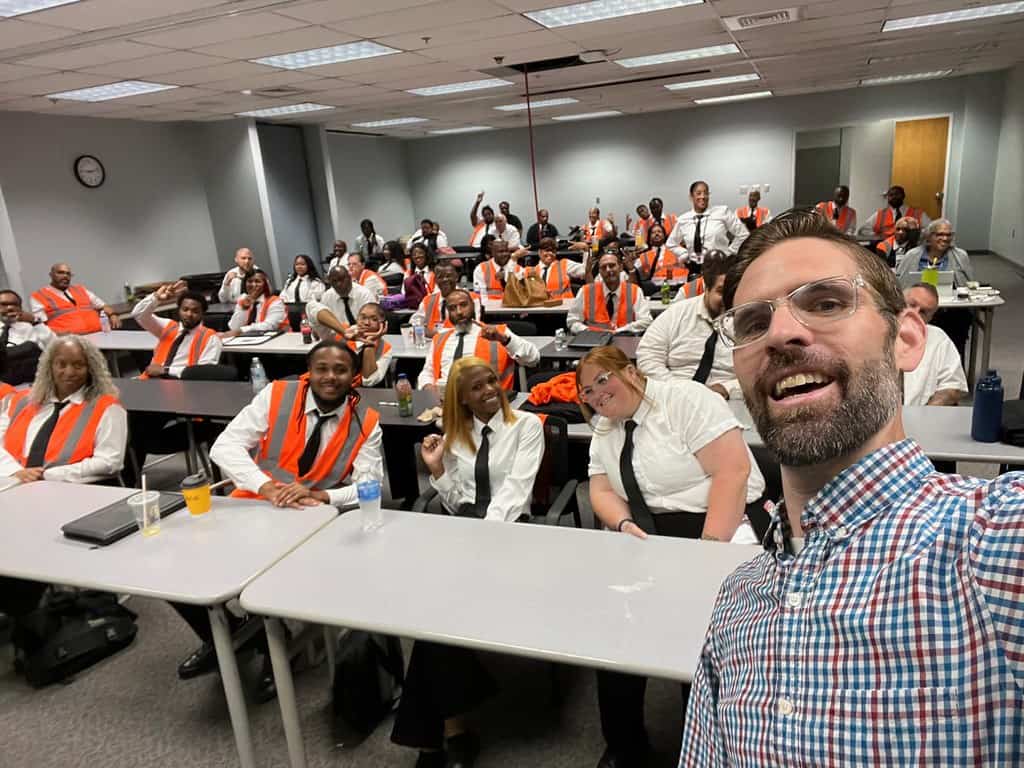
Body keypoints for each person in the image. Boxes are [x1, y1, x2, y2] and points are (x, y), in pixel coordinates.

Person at [681, 208, 1024, 766]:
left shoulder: (996, 544)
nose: (781, 333)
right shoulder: (736, 604)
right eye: (752, 322)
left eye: (826, 303)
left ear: (907, 340)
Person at [577, 345, 764, 768]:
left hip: (718, 521)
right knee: (614, 623)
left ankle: (706, 741)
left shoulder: (685, 399)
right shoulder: (606, 428)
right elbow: (602, 490)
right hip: (647, 530)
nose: (597, 394)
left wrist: (707, 551)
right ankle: (625, 744)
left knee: (703, 629)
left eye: (603, 379)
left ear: (630, 371)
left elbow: (732, 473)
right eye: (588, 391)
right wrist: (623, 525)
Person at [189, 340, 382, 697]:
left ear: (354, 376)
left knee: (271, 571)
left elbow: (370, 486)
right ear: (309, 372)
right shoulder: (275, 396)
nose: (330, 377)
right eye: (321, 369)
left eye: (340, 370)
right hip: (254, 503)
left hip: (311, 516)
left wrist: (324, 495)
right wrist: (264, 487)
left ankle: (266, 646)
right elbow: (225, 447)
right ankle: (245, 637)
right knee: (184, 565)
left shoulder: (367, 422)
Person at [392, 356, 544, 768]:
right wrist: (438, 469)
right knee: (432, 616)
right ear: (461, 397)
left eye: (491, 380)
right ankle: (451, 731)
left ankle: (439, 738)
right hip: (466, 530)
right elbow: (458, 500)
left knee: (437, 615)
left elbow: (516, 493)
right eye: (476, 387)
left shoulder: (526, 426)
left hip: (510, 533)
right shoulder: (456, 435)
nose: (489, 390)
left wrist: (482, 537)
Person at [0, 335, 126, 485]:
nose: (69, 372)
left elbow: (109, 461)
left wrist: (47, 475)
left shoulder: (107, 408)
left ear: (91, 369)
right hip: (14, 484)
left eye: (78, 365)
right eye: (61, 364)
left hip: (74, 490)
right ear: (50, 367)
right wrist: (15, 471)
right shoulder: (19, 401)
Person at [636, 250, 739, 399]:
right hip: (671, 395)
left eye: (733, 292)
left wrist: (727, 388)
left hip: (726, 401)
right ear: (707, 289)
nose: (728, 299)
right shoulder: (677, 313)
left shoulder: (746, 322)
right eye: (721, 291)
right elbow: (647, 356)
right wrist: (676, 389)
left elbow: (760, 373)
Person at [417, 289, 539, 392]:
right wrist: (428, 387)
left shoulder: (497, 332)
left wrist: (504, 340)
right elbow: (427, 372)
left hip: (489, 402)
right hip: (446, 401)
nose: (459, 312)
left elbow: (533, 359)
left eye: (463, 305)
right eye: (453, 308)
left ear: (473, 306)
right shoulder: (439, 338)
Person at [132, 280, 222, 379]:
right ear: (178, 310)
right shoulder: (167, 327)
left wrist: (166, 370)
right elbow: (138, 314)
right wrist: (156, 297)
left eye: (195, 311)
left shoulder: (210, 338)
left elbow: (204, 372)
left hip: (181, 384)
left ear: (202, 314)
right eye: (185, 309)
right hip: (149, 380)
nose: (189, 314)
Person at [902, 282, 968, 406]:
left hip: (920, 417)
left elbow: (954, 386)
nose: (915, 313)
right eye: (911, 305)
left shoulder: (938, 339)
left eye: (923, 312)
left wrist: (927, 413)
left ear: (930, 318)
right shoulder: (873, 333)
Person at [667, 181, 749, 272]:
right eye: (698, 193)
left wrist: (729, 252)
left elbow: (743, 234)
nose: (702, 197)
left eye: (706, 193)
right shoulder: (683, 219)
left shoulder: (722, 212)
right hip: (694, 268)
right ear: (691, 197)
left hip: (719, 266)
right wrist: (684, 253)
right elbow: (670, 244)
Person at [567, 250, 652, 335]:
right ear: (599, 271)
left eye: (612, 266)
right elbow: (573, 321)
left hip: (625, 338)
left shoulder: (635, 291)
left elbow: (646, 320)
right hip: (593, 341)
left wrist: (620, 331)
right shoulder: (585, 291)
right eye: (603, 267)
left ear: (621, 267)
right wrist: (589, 330)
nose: (608, 270)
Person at [31, 263, 120, 335]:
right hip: (71, 342)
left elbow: (103, 306)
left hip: (98, 334)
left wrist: (113, 315)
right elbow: (41, 327)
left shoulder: (81, 290)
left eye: (68, 274)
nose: (65, 276)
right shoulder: (39, 296)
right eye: (60, 273)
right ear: (51, 275)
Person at [896, 218, 974, 286]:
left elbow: (968, 286)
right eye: (940, 234)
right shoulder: (911, 255)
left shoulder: (960, 256)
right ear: (929, 236)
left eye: (948, 235)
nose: (945, 238)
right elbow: (901, 284)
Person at [306, 265, 376, 341]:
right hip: (337, 340)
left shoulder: (364, 294)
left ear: (349, 277)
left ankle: (346, 333)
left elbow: (371, 324)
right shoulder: (328, 295)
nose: (338, 284)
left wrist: (352, 330)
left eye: (341, 279)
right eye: (334, 281)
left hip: (362, 338)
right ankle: (345, 332)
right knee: (311, 305)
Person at [1, 289, 54, 386]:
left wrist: (35, 322)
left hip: (35, 382)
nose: (9, 308)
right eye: (4, 304)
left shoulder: (31, 326)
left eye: (14, 304)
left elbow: (55, 347)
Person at [412, 263, 481, 335]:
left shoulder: (471, 298)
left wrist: (437, 333)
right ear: (435, 280)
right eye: (440, 277)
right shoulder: (428, 300)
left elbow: (474, 325)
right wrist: (422, 331)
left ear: (456, 277)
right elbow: (415, 322)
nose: (445, 279)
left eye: (448, 276)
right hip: (430, 342)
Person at [222, 269, 289, 338]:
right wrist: (243, 309)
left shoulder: (276, 301)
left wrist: (242, 330)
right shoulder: (242, 300)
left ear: (265, 285)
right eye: (250, 281)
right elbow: (234, 327)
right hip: (249, 339)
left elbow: (269, 326)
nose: (253, 285)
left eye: (257, 281)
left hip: (278, 338)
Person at [858, 184, 931, 240]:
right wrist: (878, 237)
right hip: (886, 248)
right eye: (891, 195)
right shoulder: (880, 214)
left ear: (903, 196)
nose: (894, 197)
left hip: (909, 248)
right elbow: (863, 230)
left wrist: (915, 235)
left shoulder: (917, 213)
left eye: (897, 194)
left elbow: (930, 229)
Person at [345, 303, 392, 387]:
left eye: (374, 319)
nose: (366, 323)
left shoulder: (385, 348)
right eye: (363, 317)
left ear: (382, 324)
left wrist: (369, 343)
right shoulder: (344, 334)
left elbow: (369, 381)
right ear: (357, 319)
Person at [404, 243, 437, 308]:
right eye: (414, 254)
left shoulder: (435, 271)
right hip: (414, 305)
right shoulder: (408, 274)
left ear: (426, 254)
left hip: (432, 304)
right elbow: (404, 292)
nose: (417, 256)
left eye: (420, 253)